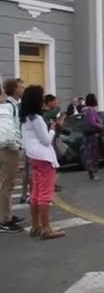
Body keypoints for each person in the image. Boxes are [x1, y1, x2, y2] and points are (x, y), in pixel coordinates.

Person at [20, 85, 66, 240]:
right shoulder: (37, 118)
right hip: (44, 157)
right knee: (45, 193)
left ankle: (35, 226)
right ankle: (46, 228)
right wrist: (52, 128)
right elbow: (46, 140)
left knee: (36, 192)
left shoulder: (25, 117)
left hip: (33, 156)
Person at [0, 78, 25, 233]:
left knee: (6, 184)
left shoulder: (11, 105)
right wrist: (15, 145)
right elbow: (8, 130)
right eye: (21, 87)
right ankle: (4, 220)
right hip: (8, 150)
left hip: (7, 148)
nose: (23, 89)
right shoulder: (8, 106)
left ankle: (6, 214)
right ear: (14, 89)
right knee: (7, 185)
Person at [82, 94, 102, 181]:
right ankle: (93, 173)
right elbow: (93, 122)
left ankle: (91, 172)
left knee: (88, 153)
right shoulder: (91, 110)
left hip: (85, 134)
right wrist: (100, 125)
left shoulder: (84, 110)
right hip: (92, 134)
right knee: (93, 154)